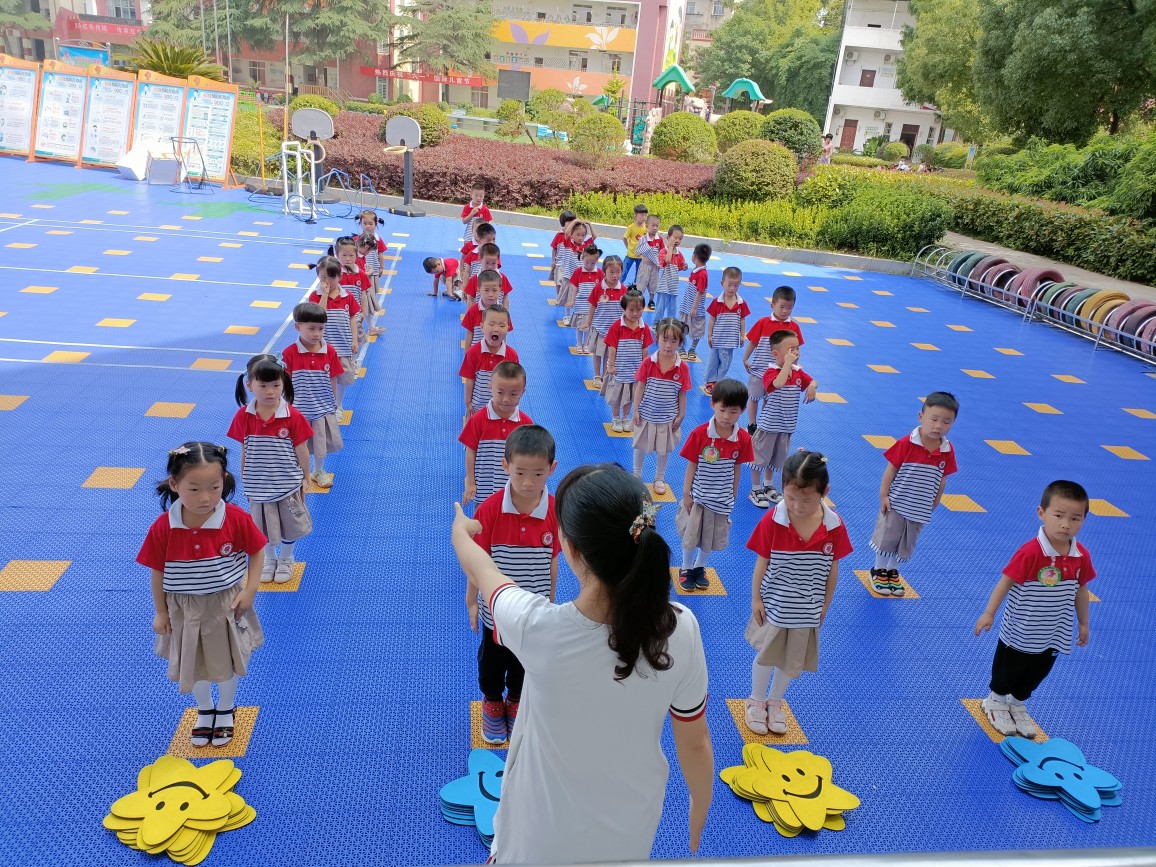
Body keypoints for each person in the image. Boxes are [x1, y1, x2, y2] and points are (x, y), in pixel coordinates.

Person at [450, 463, 713, 863]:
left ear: (570, 549)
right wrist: (700, 803)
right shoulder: (682, 628)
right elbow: (695, 741)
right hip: (630, 831)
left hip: (537, 840)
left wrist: (460, 531)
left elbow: (481, 568)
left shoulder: (537, 627)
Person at [137, 442, 266, 748]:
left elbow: (257, 550)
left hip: (225, 604)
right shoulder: (163, 526)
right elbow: (157, 570)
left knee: (227, 662)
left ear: (224, 482)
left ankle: (226, 708)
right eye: (194, 489)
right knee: (193, 664)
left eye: (214, 488)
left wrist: (250, 589)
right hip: (183, 608)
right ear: (174, 484)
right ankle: (205, 709)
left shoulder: (235, 518)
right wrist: (160, 611)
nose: (205, 498)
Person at [974, 480, 1095, 737]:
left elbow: (1081, 590)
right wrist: (989, 613)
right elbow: (1005, 582)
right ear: (1042, 513)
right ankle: (995, 701)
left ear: (1084, 519)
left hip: (1054, 632)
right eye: (1059, 516)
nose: (1066, 524)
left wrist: (1083, 623)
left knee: (1037, 672)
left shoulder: (1081, 556)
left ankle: (1017, 703)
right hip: (1021, 630)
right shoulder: (1030, 552)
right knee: (1008, 670)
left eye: (1075, 518)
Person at [745, 450, 852, 735]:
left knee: (791, 661)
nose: (797, 506)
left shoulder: (834, 525)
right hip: (775, 605)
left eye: (806, 500)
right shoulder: (773, 519)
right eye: (790, 497)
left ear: (824, 493)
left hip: (807, 609)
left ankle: (775, 701)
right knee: (766, 655)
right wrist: (756, 598)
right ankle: (755, 700)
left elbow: (833, 570)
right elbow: (761, 561)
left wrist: (825, 606)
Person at [466, 425, 559, 744]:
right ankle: (493, 701)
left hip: (533, 612)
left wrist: (550, 599)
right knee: (492, 661)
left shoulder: (554, 510)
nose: (528, 483)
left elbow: (553, 559)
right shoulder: (490, 509)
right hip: (496, 610)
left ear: (551, 469)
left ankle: (517, 700)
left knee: (525, 662)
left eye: (538, 474)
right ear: (506, 466)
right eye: (520, 473)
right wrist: (472, 600)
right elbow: (477, 560)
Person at [227, 355, 312, 583]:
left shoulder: (293, 416)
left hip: (287, 483)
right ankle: (269, 559)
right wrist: (245, 477)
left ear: (283, 382)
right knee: (261, 526)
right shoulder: (243, 416)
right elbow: (245, 449)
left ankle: (286, 558)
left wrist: (306, 476)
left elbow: (302, 450)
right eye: (263, 386)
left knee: (290, 525)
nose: (270, 391)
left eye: (275, 385)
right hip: (258, 485)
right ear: (249, 385)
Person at [868, 392, 959, 595]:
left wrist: (936, 500)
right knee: (888, 537)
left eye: (946, 422)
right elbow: (890, 470)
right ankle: (878, 570)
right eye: (934, 419)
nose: (938, 426)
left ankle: (893, 571)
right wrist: (884, 496)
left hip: (920, 508)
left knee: (906, 542)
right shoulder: (907, 443)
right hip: (897, 503)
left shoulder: (947, 450)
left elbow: (943, 478)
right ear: (921, 417)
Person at [677, 379, 754, 591]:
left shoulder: (743, 439)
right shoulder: (700, 433)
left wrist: (733, 495)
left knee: (709, 538)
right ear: (712, 404)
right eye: (722, 409)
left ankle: (699, 566)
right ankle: (686, 567)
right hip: (699, 497)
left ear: (742, 411)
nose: (727, 416)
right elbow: (692, 464)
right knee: (691, 535)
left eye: (733, 411)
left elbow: (737, 468)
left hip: (721, 500)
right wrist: (687, 493)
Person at [749, 330, 815, 508]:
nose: (796, 353)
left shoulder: (798, 372)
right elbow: (778, 383)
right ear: (776, 354)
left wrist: (812, 386)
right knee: (759, 459)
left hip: (786, 427)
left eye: (797, 349)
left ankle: (768, 485)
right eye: (791, 350)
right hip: (769, 426)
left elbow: (812, 381)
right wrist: (787, 365)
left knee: (776, 459)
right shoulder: (771, 372)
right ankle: (755, 488)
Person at [281, 302, 344, 489]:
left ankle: (318, 471)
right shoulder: (289, 353)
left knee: (319, 443)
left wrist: (333, 401)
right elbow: (285, 382)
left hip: (321, 408)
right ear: (297, 327)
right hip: (297, 409)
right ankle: (301, 472)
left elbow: (333, 377)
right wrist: (285, 405)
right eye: (311, 328)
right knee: (297, 443)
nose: (317, 333)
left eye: (321, 328)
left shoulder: (329, 351)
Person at [459, 361, 532, 506]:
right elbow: (470, 451)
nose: (506, 399)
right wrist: (471, 482)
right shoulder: (478, 419)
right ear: (491, 387)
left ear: (522, 392)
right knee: (481, 519)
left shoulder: (525, 423)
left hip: (512, 490)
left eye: (513, 394)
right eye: (500, 392)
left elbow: (528, 458)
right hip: (483, 488)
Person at [633, 318, 691, 495]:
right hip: (646, 414)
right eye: (664, 340)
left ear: (680, 342)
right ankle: (636, 474)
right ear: (657, 337)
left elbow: (682, 393)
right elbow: (640, 387)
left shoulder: (682, 368)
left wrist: (681, 415)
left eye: (674, 341)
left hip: (668, 418)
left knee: (664, 449)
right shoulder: (648, 362)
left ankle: (659, 477)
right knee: (640, 445)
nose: (668, 345)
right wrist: (635, 409)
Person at [743, 286, 806, 433]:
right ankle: (752, 424)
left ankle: (764, 423)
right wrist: (746, 358)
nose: (785, 311)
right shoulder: (763, 322)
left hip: (779, 373)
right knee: (754, 397)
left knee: (770, 398)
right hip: (760, 370)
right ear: (773, 305)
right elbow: (753, 342)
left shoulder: (794, 327)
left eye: (789, 307)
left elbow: (796, 350)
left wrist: (793, 367)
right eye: (782, 307)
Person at [307, 256, 359, 415]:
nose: (328, 281)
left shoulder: (347, 296)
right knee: (324, 378)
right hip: (321, 347)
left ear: (339, 276)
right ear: (318, 276)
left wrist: (354, 339)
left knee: (342, 379)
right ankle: (325, 404)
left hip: (342, 346)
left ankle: (338, 406)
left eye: (332, 277)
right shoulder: (315, 296)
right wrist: (324, 294)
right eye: (323, 277)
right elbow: (319, 315)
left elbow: (352, 318)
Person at [604, 289, 653, 432]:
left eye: (639, 309)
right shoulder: (617, 326)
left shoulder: (644, 328)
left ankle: (626, 417)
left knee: (630, 395)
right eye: (631, 310)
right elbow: (612, 347)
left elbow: (645, 349)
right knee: (616, 395)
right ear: (624, 309)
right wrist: (611, 365)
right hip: (619, 369)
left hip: (634, 370)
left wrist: (644, 367)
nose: (635, 313)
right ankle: (615, 418)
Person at [459, 305, 519, 419]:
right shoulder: (473, 352)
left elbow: (514, 384)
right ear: (482, 327)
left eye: (502, 325)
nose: (496, 329)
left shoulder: (511, 355)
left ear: (508, 328)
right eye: (491, 324)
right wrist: (468, 403)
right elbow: (470, 380)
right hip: (477, 407)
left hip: (501, 408)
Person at [704, 267, 750, 394]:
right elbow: (712, 319)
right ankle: (710, 381)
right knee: (713, 361)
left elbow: (742, 320)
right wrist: (709, 335)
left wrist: (742, 335)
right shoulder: (717, 302)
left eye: (736, 285)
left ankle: (719, 382)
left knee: (725, 363)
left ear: (739, 284)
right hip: (717, 339)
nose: (732, 288)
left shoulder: (741, 303)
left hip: (730, 341)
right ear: (722, 283)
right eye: (729, 285)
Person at [585, 254, 627, 386]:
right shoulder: (599, 288)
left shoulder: (623, 289)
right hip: (599, 327)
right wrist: (588, 322)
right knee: (598, 353)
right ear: (604, 272)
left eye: (618, 272)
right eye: (611, 272)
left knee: (609, 354)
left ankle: (605, 376)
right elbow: (592, 306)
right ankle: (597, 375)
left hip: (614, 331)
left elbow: (626, 310)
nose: (615, 275)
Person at [461, 272, 512, 349]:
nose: (490, 294)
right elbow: (469, 334)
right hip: (476, 352)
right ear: (478, 290)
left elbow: (504, 335)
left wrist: (503, 351)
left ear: (500, 289)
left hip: (495, 353)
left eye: (494, 290)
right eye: (486, 290)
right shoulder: (473, 311)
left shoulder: (503, 313)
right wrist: (467, 352)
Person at [565, 244, 603, 346]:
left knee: (588, 324)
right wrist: (573, 300)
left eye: (592, 263)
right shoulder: (578, 271)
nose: (589, 265)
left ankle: (586, 344)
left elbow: (601, 289)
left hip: (592, 304)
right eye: (587, 262)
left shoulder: (599, 272)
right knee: (579, 324)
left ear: (597, 260)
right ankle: (578, 343)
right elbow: (575, 287)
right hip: (580, 302)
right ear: (582, 258)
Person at [678, 242, 710, 360]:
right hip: (686, 305)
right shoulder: (696, 270)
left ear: (694, 256)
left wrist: (694, 308)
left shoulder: (702, 274)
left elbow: (700, 291)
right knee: (682, 326)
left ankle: (692, 348)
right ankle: (681, 347)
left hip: (694, 308)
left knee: (697, 329)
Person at [554, 219, 590, 311]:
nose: (580, 238)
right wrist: (575, 222)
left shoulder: (584, 246)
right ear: (572, 234)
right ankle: (567, 315)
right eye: (578, 235)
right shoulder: (568, 243)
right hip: (568, 275)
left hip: (580, 277)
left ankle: (577, 313)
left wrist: (589, 224)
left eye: (583, 235)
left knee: (577, 297)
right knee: (566, 297)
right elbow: (566, 233)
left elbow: (594, 237)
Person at [654, 224, 687, 323]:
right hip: (664, 286)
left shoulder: (679, 254)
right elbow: (667, 261)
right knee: (660, 307)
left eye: (680, 238)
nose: (677, 240)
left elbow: (681, 266)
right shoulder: (663, 251)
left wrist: (684, 267)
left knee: (672, 308)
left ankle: (671, 325)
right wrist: (671, 248)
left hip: (673, 286)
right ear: (668, 238)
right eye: (675, 238)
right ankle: (656, 324)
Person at [634, 213, 663, 311]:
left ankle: (651, 300)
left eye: (657, 226)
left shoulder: (659, 239)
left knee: (653, 284)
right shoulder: (643, 239)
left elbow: (662, 252)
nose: (655, 228)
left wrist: (660, 262)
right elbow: (637, 251)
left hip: (655, 267)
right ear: (647, 226)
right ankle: (639, 300)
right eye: (653, 225)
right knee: (641, 283)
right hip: (645, 266)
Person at [354, 210, 388, 294]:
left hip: (373, 269)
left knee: (371, 291)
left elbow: (380, 254)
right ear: (360, 223)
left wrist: (381, 267)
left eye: (370, 223)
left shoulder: (377, 239)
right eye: (365, 223)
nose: (367, 226)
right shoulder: (357, 239)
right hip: (360, 269)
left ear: (376, 224)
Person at [549, 209, 577, 297]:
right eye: (569, 222)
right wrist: (553, 260)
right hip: (560, 263)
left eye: (573, 221)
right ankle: (558, 297)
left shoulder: (574, 235)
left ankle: (568, 297)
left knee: (569, 282)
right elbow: (554, 249)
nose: (571, 223)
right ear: (563, 223)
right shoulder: (559, 235)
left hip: (570, 264)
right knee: (559, 281)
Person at [621, 202, 648, 285]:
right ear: (635, 215)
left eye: (645, 215)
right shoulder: (631, 227)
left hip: (641, 256)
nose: (644, 217)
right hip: (630, 255)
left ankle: (636, 287)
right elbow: (624, 238)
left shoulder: (646, 228)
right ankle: (619, 285)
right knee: (624, 271)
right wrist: (628, 247)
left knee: (639, 274)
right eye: (641, 215)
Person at [461, 181, 492, 246]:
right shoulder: (467, 207)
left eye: (481, 196)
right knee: (467, 251)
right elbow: (464, 221)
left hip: (480, 239)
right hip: (468, 238)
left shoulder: (485, 209)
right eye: (476, 196)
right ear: (471, 195)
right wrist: (471, 214)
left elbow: (487, 225)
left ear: (483, 196)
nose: (478, 198)